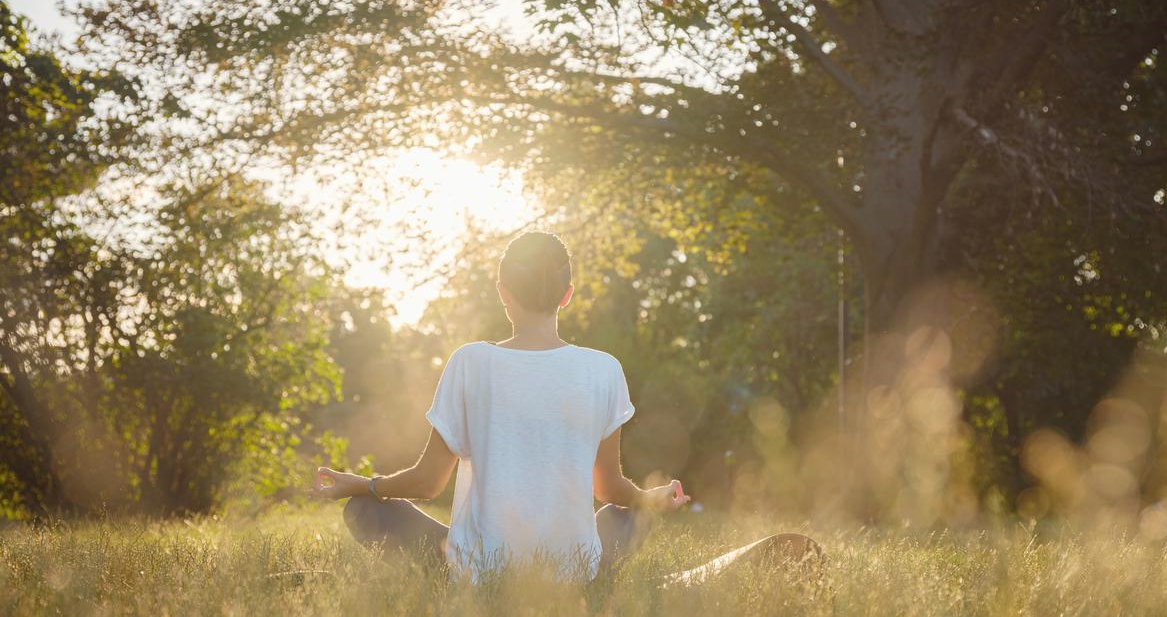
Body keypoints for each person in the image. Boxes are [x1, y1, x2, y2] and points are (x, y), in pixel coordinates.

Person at [311, 231, 821, 583]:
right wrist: (652, 499)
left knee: (367, 512)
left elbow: (427, 484)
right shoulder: (603, 369)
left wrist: (363, 485)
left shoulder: (469, 362)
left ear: (503, 293)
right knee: (625, 514)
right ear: (568, 295)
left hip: (480, 573)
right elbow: (608, 488)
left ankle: (463, 577)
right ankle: (625, 580)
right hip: (574, 573)